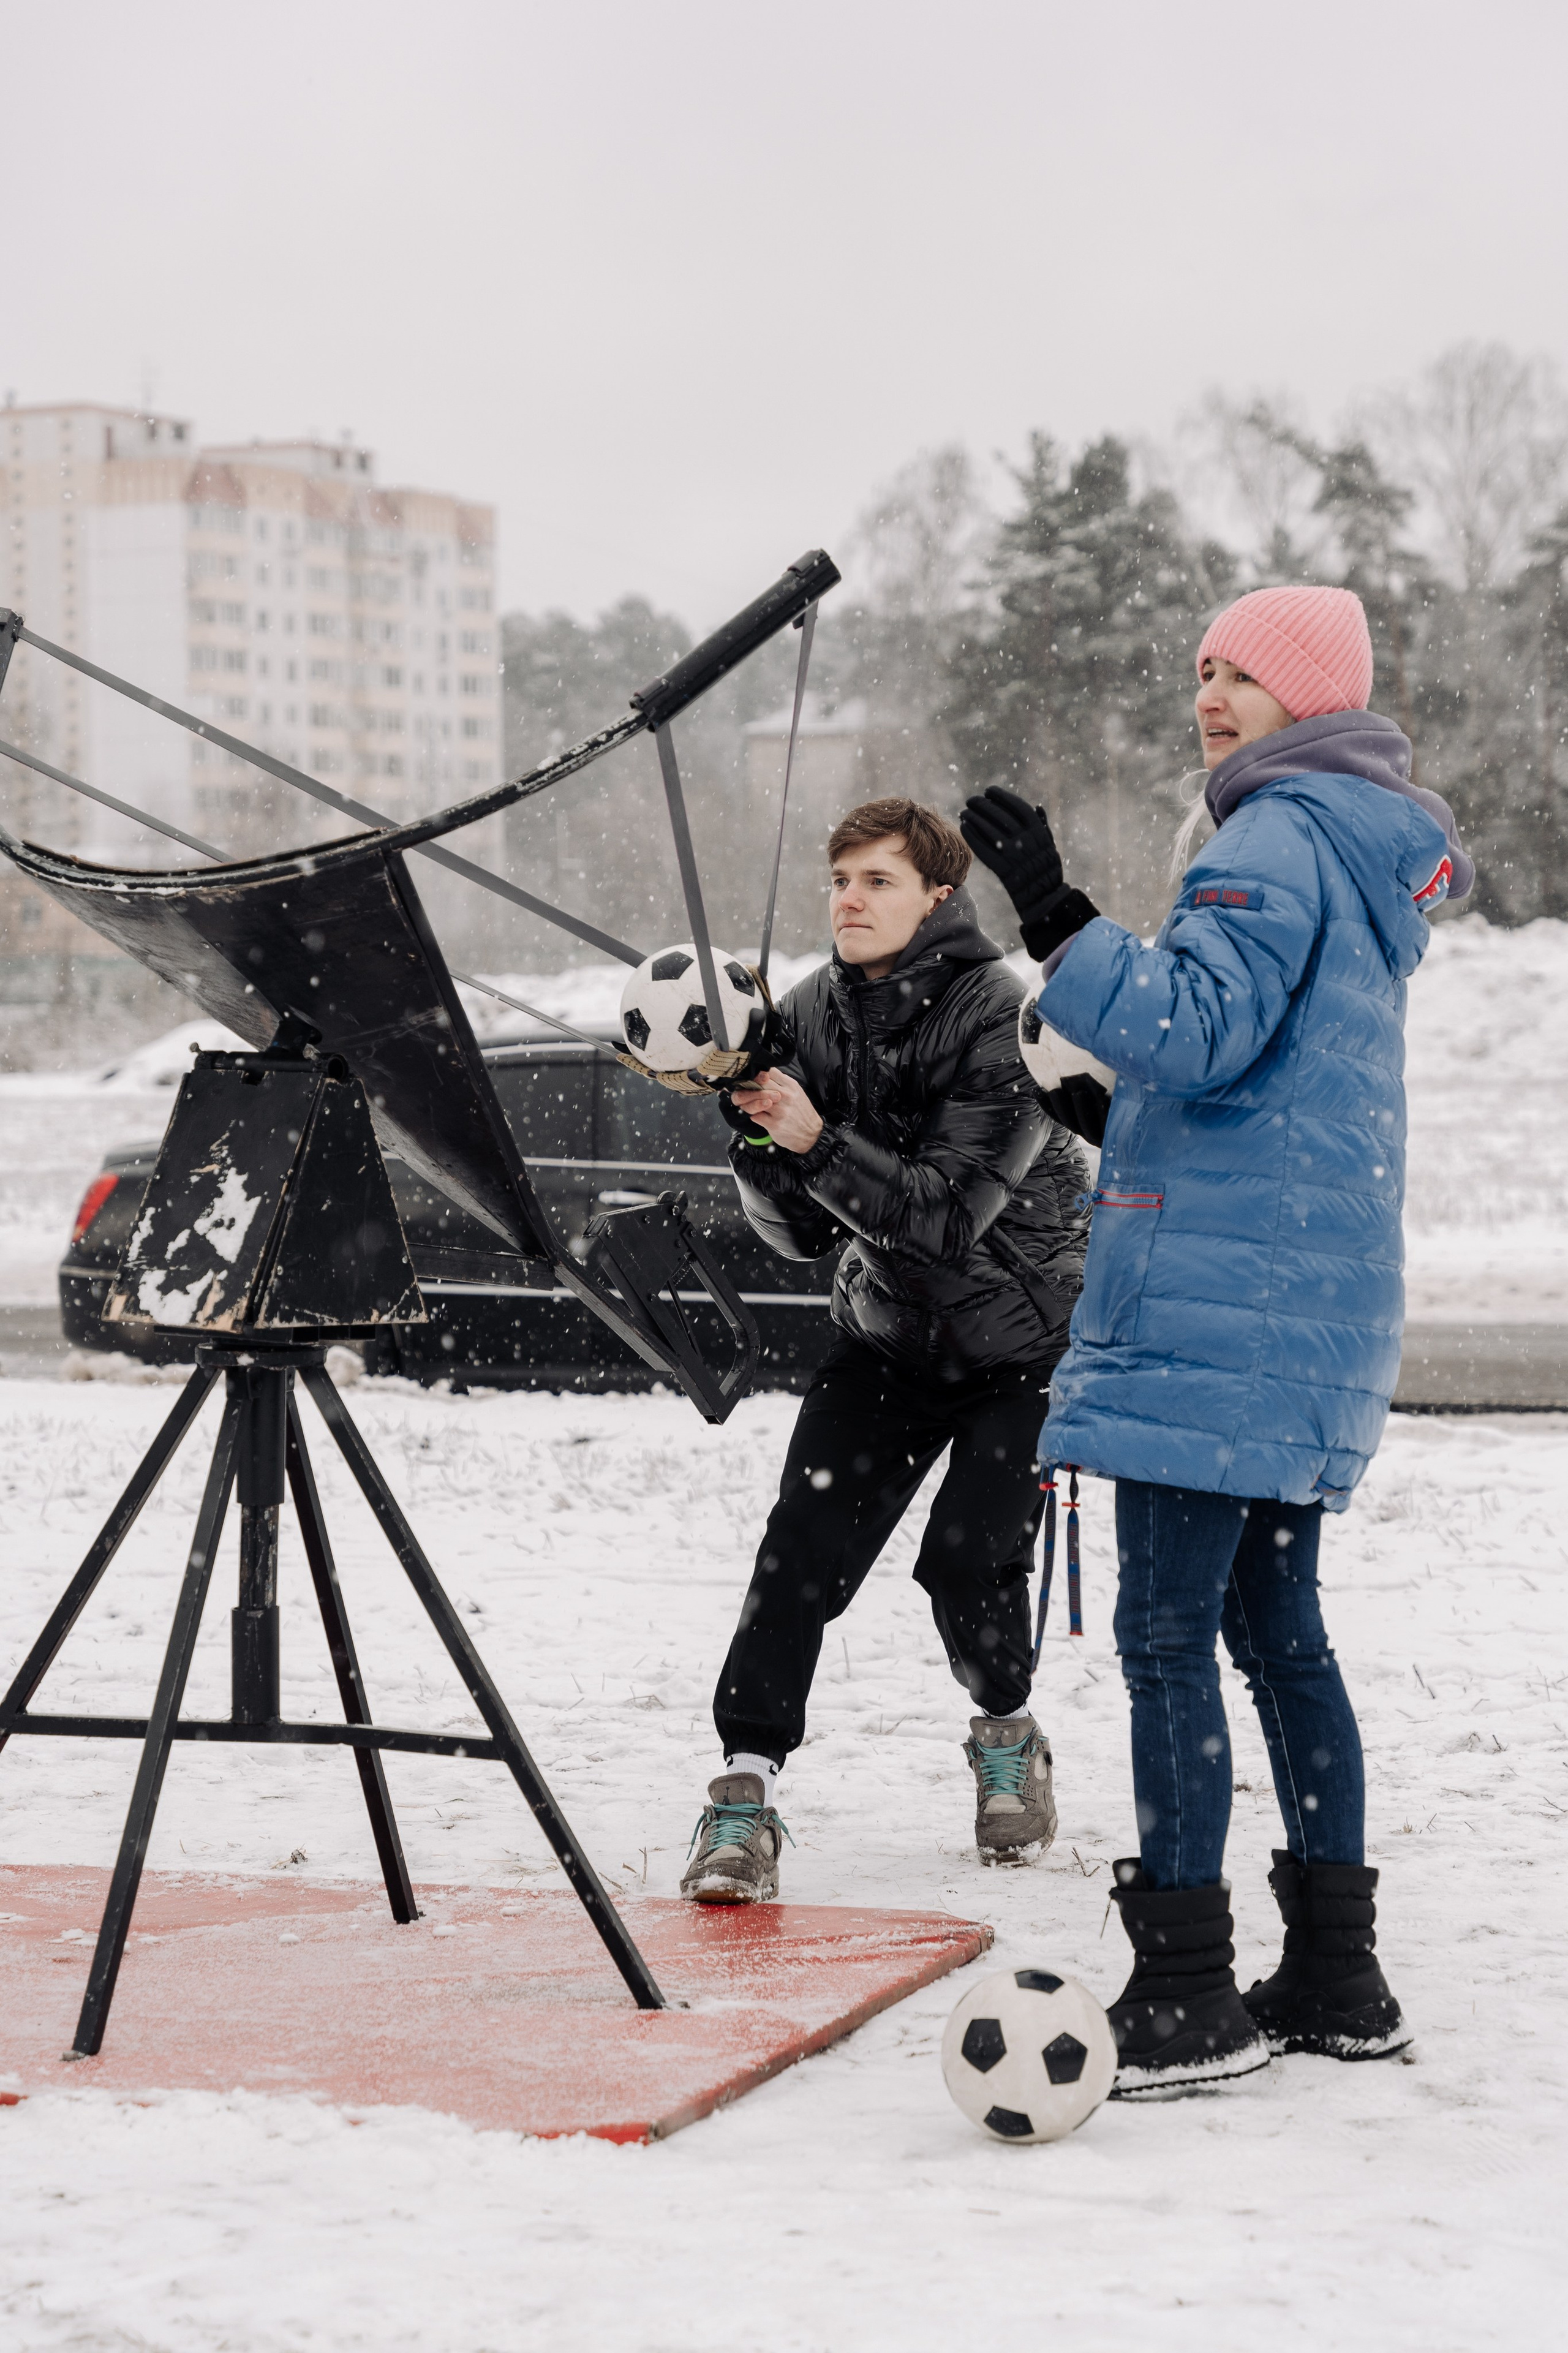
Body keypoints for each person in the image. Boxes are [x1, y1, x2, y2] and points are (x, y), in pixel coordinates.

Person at [962, 584, 1473, 2088]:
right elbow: (1253, 1089)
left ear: (1310, 698)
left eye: (1243, 672)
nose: (1211, 692)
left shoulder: (1266, 836)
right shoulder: (1357, 853)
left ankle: (1184, 1985)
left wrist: (1051, 914)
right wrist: (1111, 1120)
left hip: (1212, 1318)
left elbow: (1193, 1024)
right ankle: (1333, 1969)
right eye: (1200, 668)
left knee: (1167, 1635)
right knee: (1276, 1635)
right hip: (1295, 1301)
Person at [679, 798, 1089, 1903]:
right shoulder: (812, 1010)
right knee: (798, 1548)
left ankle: (1006, 1730)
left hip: (1021, 1341)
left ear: (938, 899)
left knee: (966, 1558)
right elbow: (808, 1228)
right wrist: (755, 1135)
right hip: (887, 1333)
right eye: (841, 879)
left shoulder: (1002, 1017)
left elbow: (948, 1213)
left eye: (878, 881)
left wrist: (814, 1136)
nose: (849, 900)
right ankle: (743, 1793)